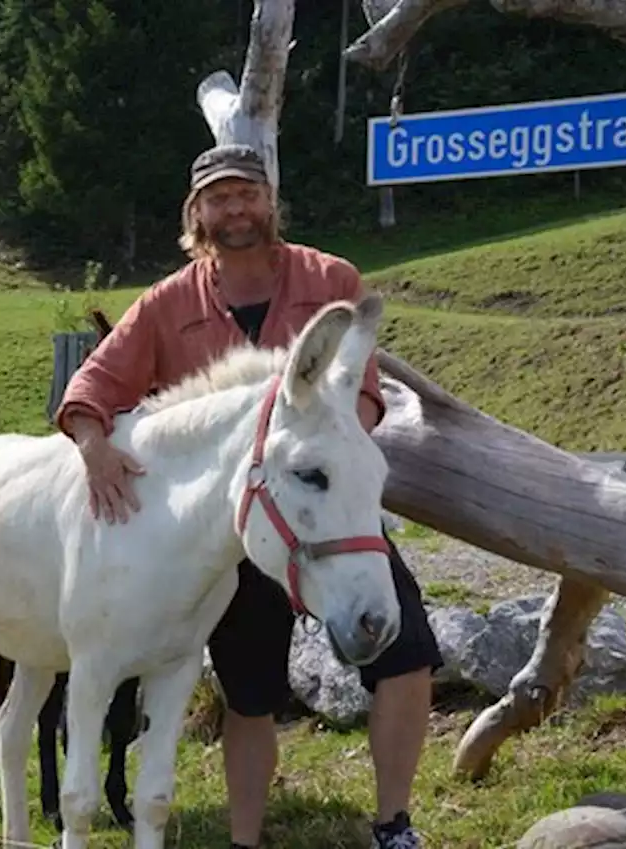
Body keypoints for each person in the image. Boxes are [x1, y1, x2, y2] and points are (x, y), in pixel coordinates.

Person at [53, 142, 443, 849]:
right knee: (249, 693)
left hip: (329, 514)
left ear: (270, 201)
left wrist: (326, 460)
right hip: (235, 538)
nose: (235, 209)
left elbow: (362, 391)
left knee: (406, 650)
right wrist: (92, 445)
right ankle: (244, 839)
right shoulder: (167, 304)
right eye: (219, 197)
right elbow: (92, 387)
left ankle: (393, 824)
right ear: (196, 212)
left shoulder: (332, 279)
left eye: (247, 193)